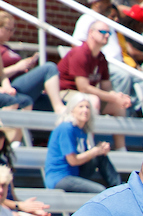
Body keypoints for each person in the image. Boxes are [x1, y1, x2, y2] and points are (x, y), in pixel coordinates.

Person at [58, 19, 132, 149]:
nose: (107, 35)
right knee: (92, 100)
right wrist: (112, 97)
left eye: (109, 32)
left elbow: (106, 87)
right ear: (91, 33)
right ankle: (88, 145)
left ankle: (121, 149)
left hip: (83, 95)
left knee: (117, 106)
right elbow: (83, 87)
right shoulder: (80, 53)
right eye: (103, 31)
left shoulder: (101, 57)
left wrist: (117, 97)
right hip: (66, 93)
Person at [44, 96, 119, 192]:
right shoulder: (66, 128)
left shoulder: (82, 130)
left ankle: (117, 187)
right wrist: (94, 152)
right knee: (100, 190)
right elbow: (72, 160)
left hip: (75, 173)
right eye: (81, 107)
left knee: (100, 155)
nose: (85, 110)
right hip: (60, 177)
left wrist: (100, 150)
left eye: (87, 107)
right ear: (72, 110)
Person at [0, 10, 64, 111]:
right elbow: (1, 74)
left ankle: (60, 108)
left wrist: (27, 67)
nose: (11, 33)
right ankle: (59, 108)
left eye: (13, 30)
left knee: (55, 104)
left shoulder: (7, 47)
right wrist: (17, 67)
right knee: (49, 68)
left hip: (18, 86)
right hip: (12, 88)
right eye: (8, 29)